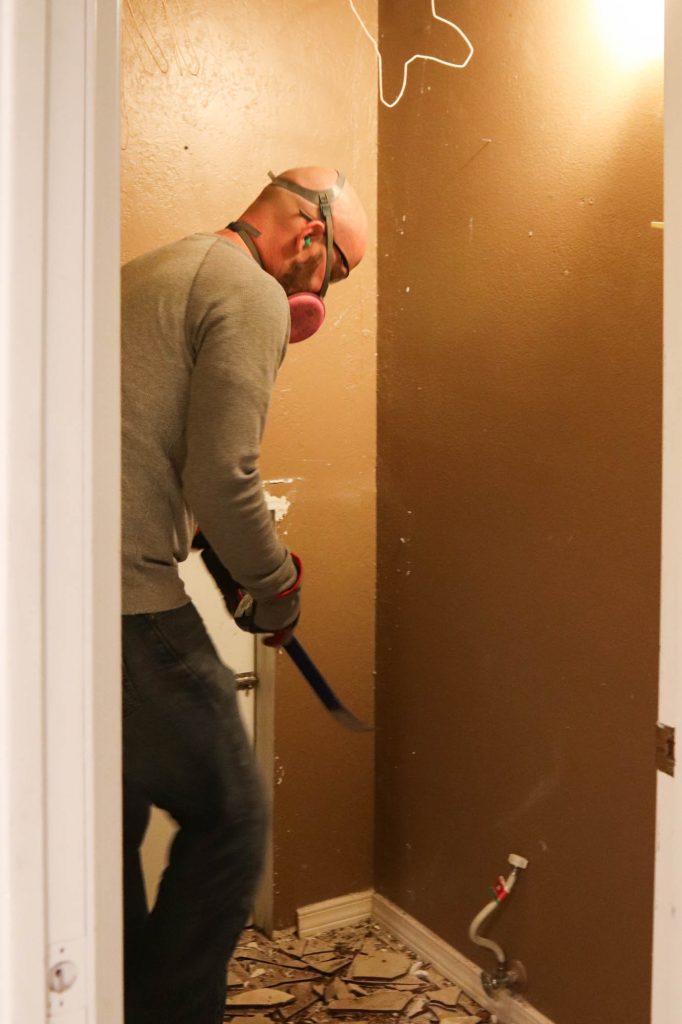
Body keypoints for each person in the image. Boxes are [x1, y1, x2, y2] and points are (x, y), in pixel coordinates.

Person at [120, 167, 368, 1024]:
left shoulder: (150, 271)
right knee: (231, 815)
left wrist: (206, 547)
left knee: (103, 822)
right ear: (307, 236)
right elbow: (226, 478)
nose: (321, 296)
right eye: (334, 273)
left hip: (60, 598)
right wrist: (275, 585)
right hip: (128, 603)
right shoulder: (251, 293)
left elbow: (149, 452)